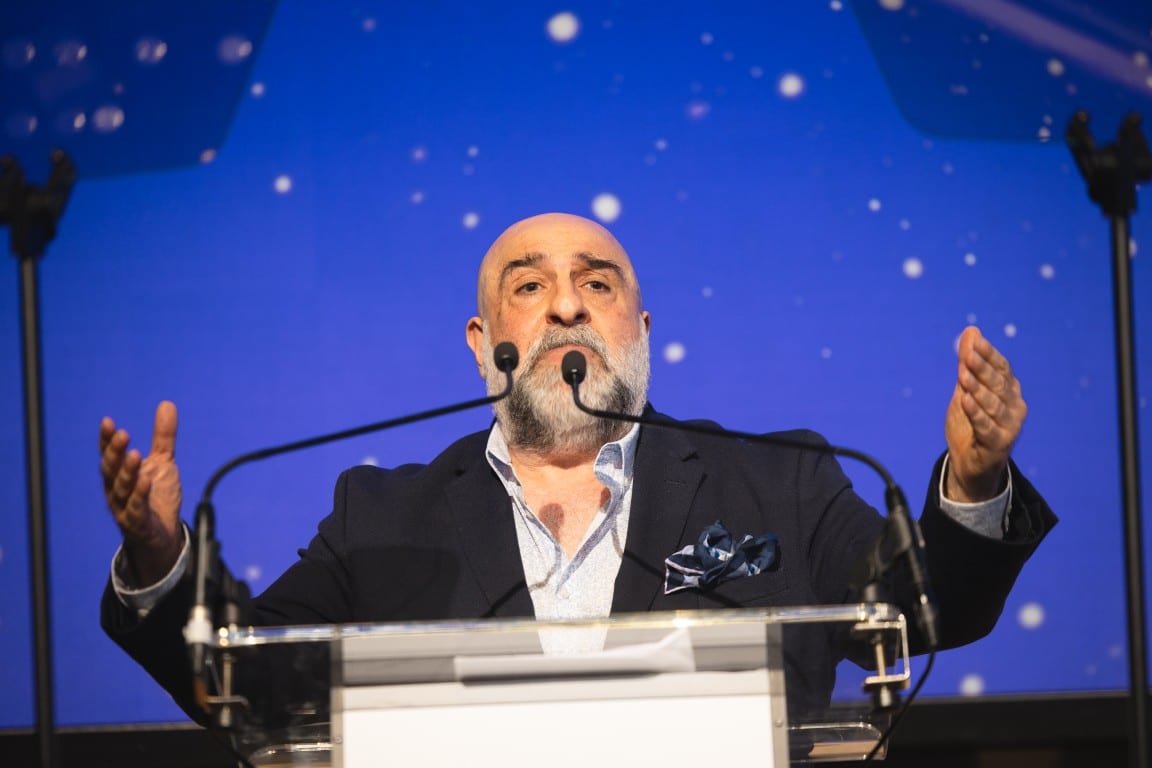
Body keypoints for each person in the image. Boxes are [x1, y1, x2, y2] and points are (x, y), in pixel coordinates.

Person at [100, 212, 1054, 723]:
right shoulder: (380, 516)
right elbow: (244, 681)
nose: (566, 306)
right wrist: (158, 556)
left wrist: (973, 485)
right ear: (483, 343)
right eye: (530, 285)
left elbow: (924, 612)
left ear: (640, 329)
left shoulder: (783, 479)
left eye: (597, 282)